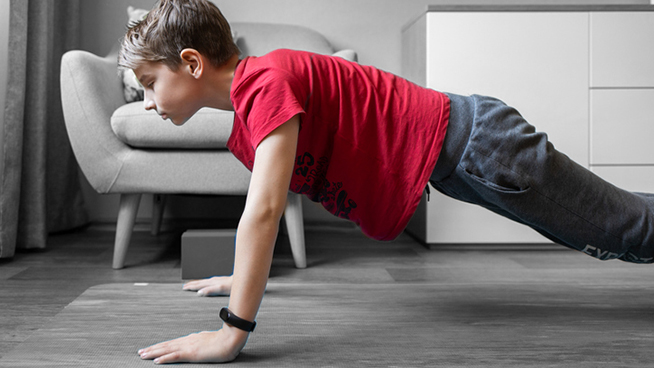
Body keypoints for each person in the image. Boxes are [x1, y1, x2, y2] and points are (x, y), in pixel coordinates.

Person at [119, 0, 654, 364]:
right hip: (470, 158)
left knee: (625, 230)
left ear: (191, 63)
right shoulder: (254, 108)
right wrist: (240, 278)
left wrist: (231, 331)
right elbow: (266, 207)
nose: (147, 100)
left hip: (484, 147)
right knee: (612, 227)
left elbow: (261, 213)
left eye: (149, 83)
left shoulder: (266, 83)